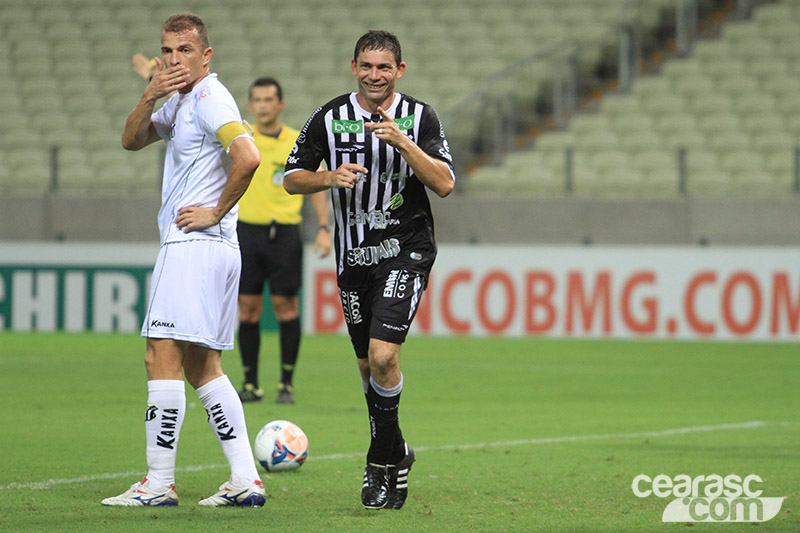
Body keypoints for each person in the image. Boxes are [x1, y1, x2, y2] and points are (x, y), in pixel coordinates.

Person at [284, 30, 455, 510]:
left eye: (384, 67)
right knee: (366, 366)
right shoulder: (329, 115)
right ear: (353, 66)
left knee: (383, 356)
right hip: (353, 258)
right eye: (366, 66)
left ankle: (380, 462)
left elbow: (444, 183)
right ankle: (397, 450)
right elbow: (290, 176)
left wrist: (403, 142)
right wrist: (327, 178)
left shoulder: (421, 117)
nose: (374, 75)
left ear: (399, 71)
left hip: (406, 250)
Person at [103, 12, 265, 508]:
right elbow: (131, 140)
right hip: (215, 250)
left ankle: (157, 483)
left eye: (185, 51)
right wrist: (150, 92)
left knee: (160, 356)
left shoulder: (212, 97)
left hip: (194, 245)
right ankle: (244, 480)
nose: (175, 59)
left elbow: (249, 156)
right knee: (203, 367)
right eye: (167, 51)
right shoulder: (179, 100)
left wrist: (216, 210)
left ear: (206, 55)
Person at [236, 77, 332, 405]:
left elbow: (314, 182)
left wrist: (323, 226)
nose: (263, 105)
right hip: (246, 232)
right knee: (247, 309)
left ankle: (286, 383)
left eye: (269, 99)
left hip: (285, 235)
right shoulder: (241, 139)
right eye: (257, 99)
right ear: (250, 105)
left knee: (285, 307)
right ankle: (250, 384)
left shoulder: (295, 141)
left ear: (280, 105)